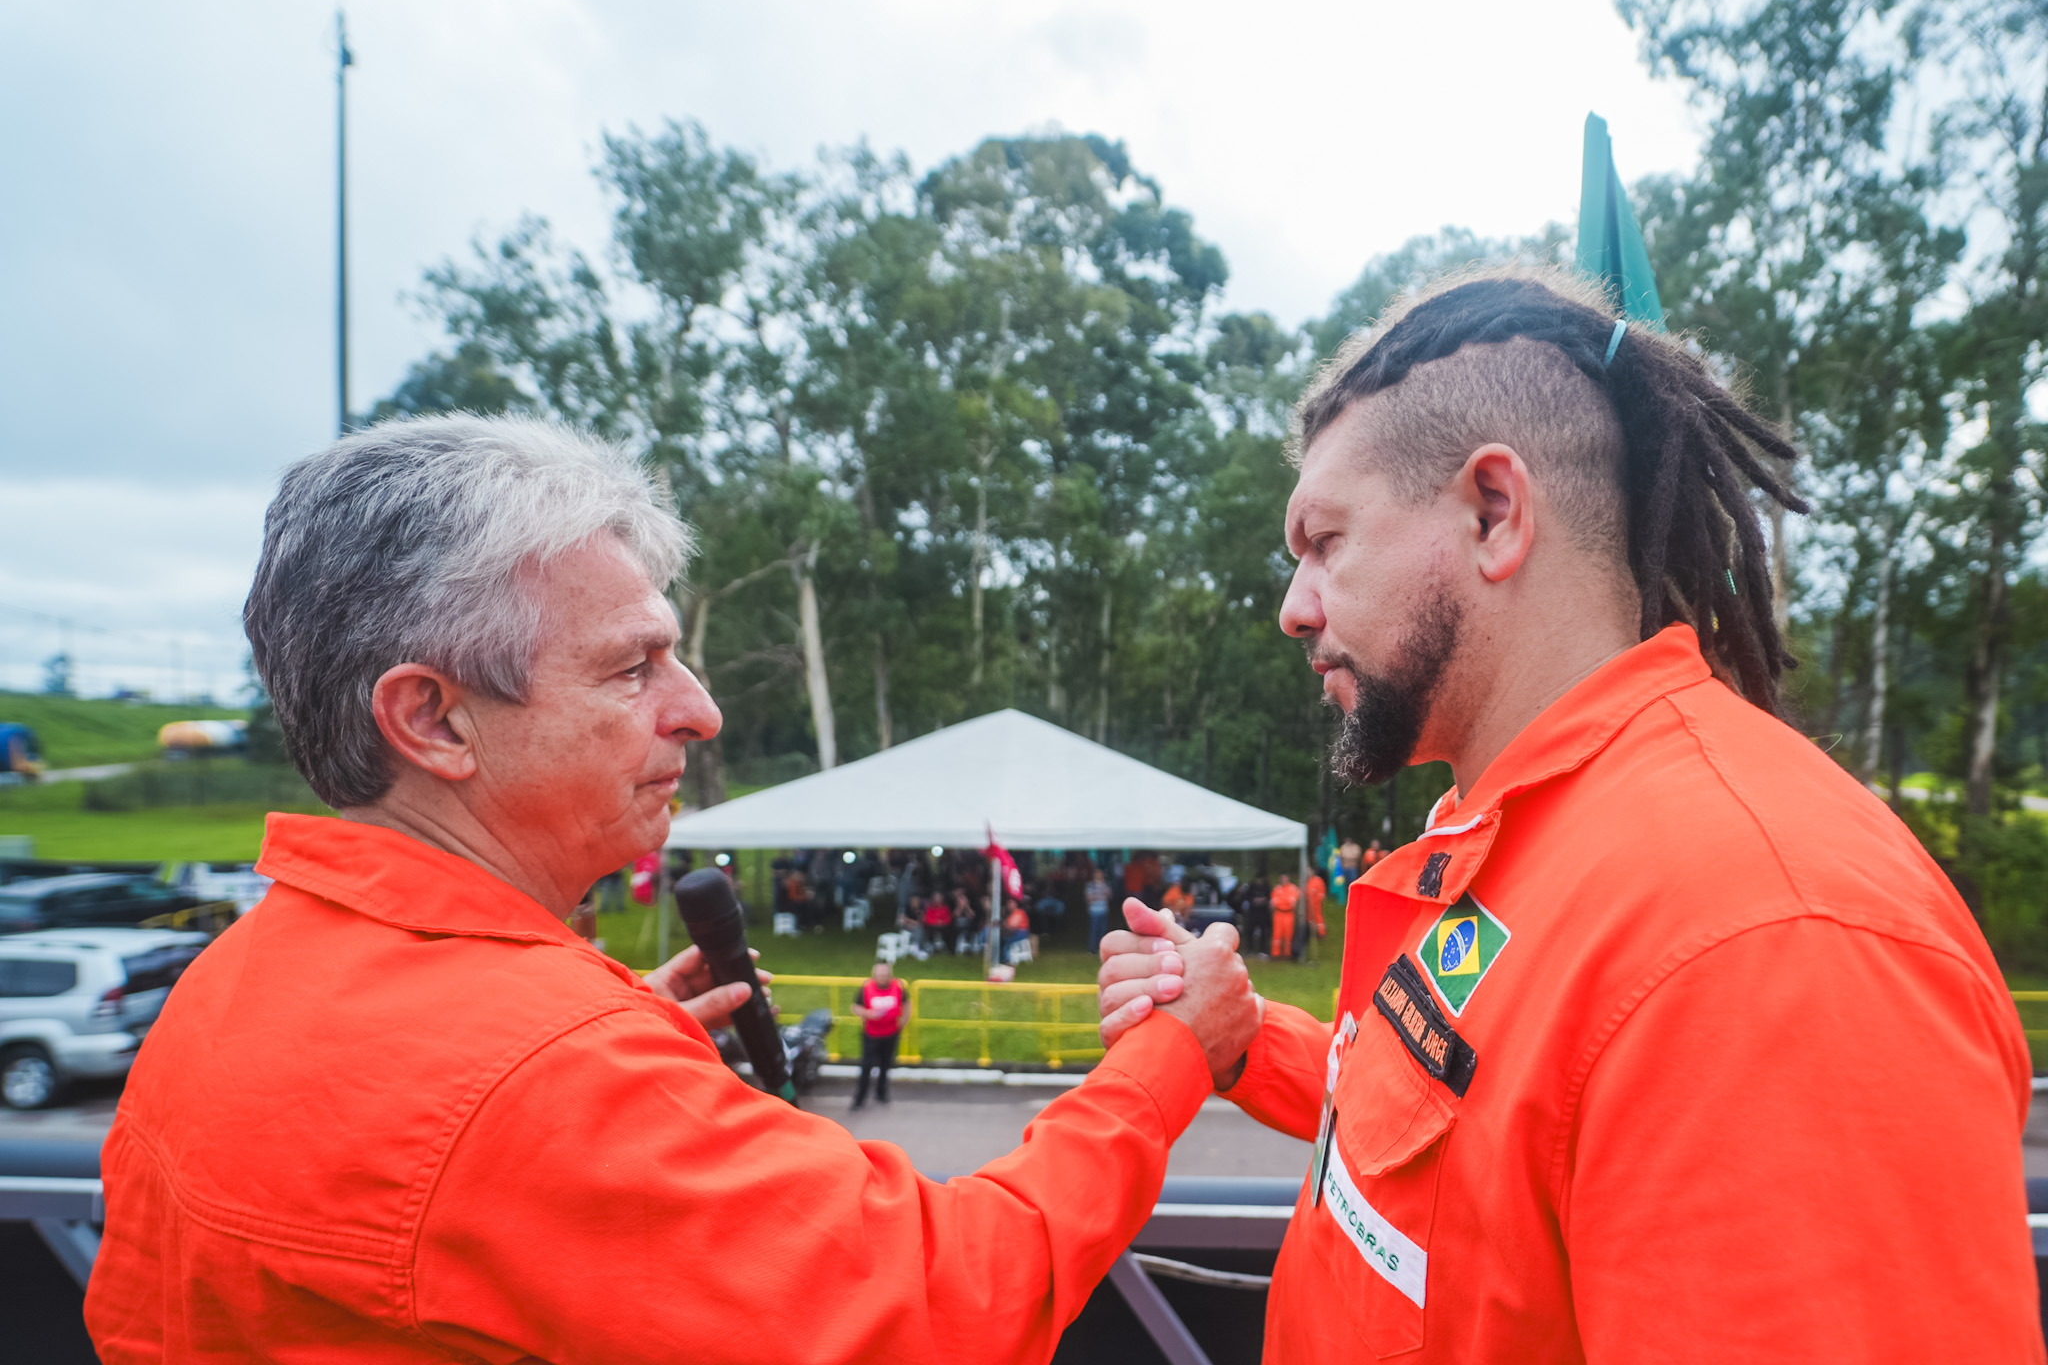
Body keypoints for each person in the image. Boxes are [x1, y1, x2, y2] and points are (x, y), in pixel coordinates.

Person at [85, 414, 1262, 1364]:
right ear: (432, 720)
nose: (697, 708)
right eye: (631, 666)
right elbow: (944, 1305)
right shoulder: (542, 1070)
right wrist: (1166, 1058)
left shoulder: (228, 987)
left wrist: (623, 1063)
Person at [1095, 271, 2038, 1362]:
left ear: (1493, 512)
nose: (1292, 609)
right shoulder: (1516, 822)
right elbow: (1473, 1130)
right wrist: (1244, 1041)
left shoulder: (1766, 942)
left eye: (1325, 541)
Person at [850, 957, 907, 1109]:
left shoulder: (898, 987)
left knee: (885, 1064)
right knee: (866, 1066)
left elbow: (907, 1003)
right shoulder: (866, 988)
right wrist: (868, 1013)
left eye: (885, 975)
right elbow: (855, 1007)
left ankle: (881, 1093)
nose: (883, 978)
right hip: (871, 1034)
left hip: (891, 1033)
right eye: (880, 975)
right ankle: (860, 1098)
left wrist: (903, 1021)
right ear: (874, 976)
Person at [1267, 872, 1300, 961]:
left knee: (1288, 934)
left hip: (1289, 913)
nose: (1284, 880)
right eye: (1282, 878)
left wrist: (1283, 902)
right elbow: (1273, 902)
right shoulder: (1277, 889)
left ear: (1288, 879)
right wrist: (1283, 902)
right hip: (1278, 913)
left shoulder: (1293, 888)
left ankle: (1287, 953)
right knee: (1277, 934)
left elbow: (1293, 902)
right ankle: (1275, 954)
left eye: (1285, 878)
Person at [1084, 866, 1112, 950]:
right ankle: (1092, 949)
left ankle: (1102, 948)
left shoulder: (1106, 884)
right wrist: (1100, 896)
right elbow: (1089, 897)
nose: (1099, 875)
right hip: (1094, 911)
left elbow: (1109, 895)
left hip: (1104, 910)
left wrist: (1097, 896)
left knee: (1103, 930)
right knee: (1094, 930)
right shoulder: (1090, 885)